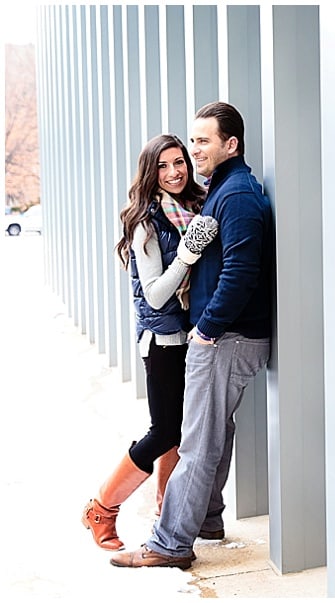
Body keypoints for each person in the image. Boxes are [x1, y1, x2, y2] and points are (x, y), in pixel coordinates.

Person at [111, 102, 274, 569]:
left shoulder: (237, 195)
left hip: (226, 338)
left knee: (197, 441)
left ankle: (169, 545)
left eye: (202, 142)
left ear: (231, 144)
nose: (194, 150)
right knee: (214, 433)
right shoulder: (220, 190)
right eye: (193, 141)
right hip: (227, 336)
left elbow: (242, 271)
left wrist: (207, 329)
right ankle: (206, 519)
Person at [82, 134, 218, 551]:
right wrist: (189, 252)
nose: (175, 171)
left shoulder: (195, 204)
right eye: (163, 166)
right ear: (150, 172)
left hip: (193, 334)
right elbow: (156, 292)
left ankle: (166, 509)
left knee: (180, 433)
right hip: (163, 339)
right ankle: (101, 509)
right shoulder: (145, 221)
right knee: (164, 431)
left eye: (180, 162)